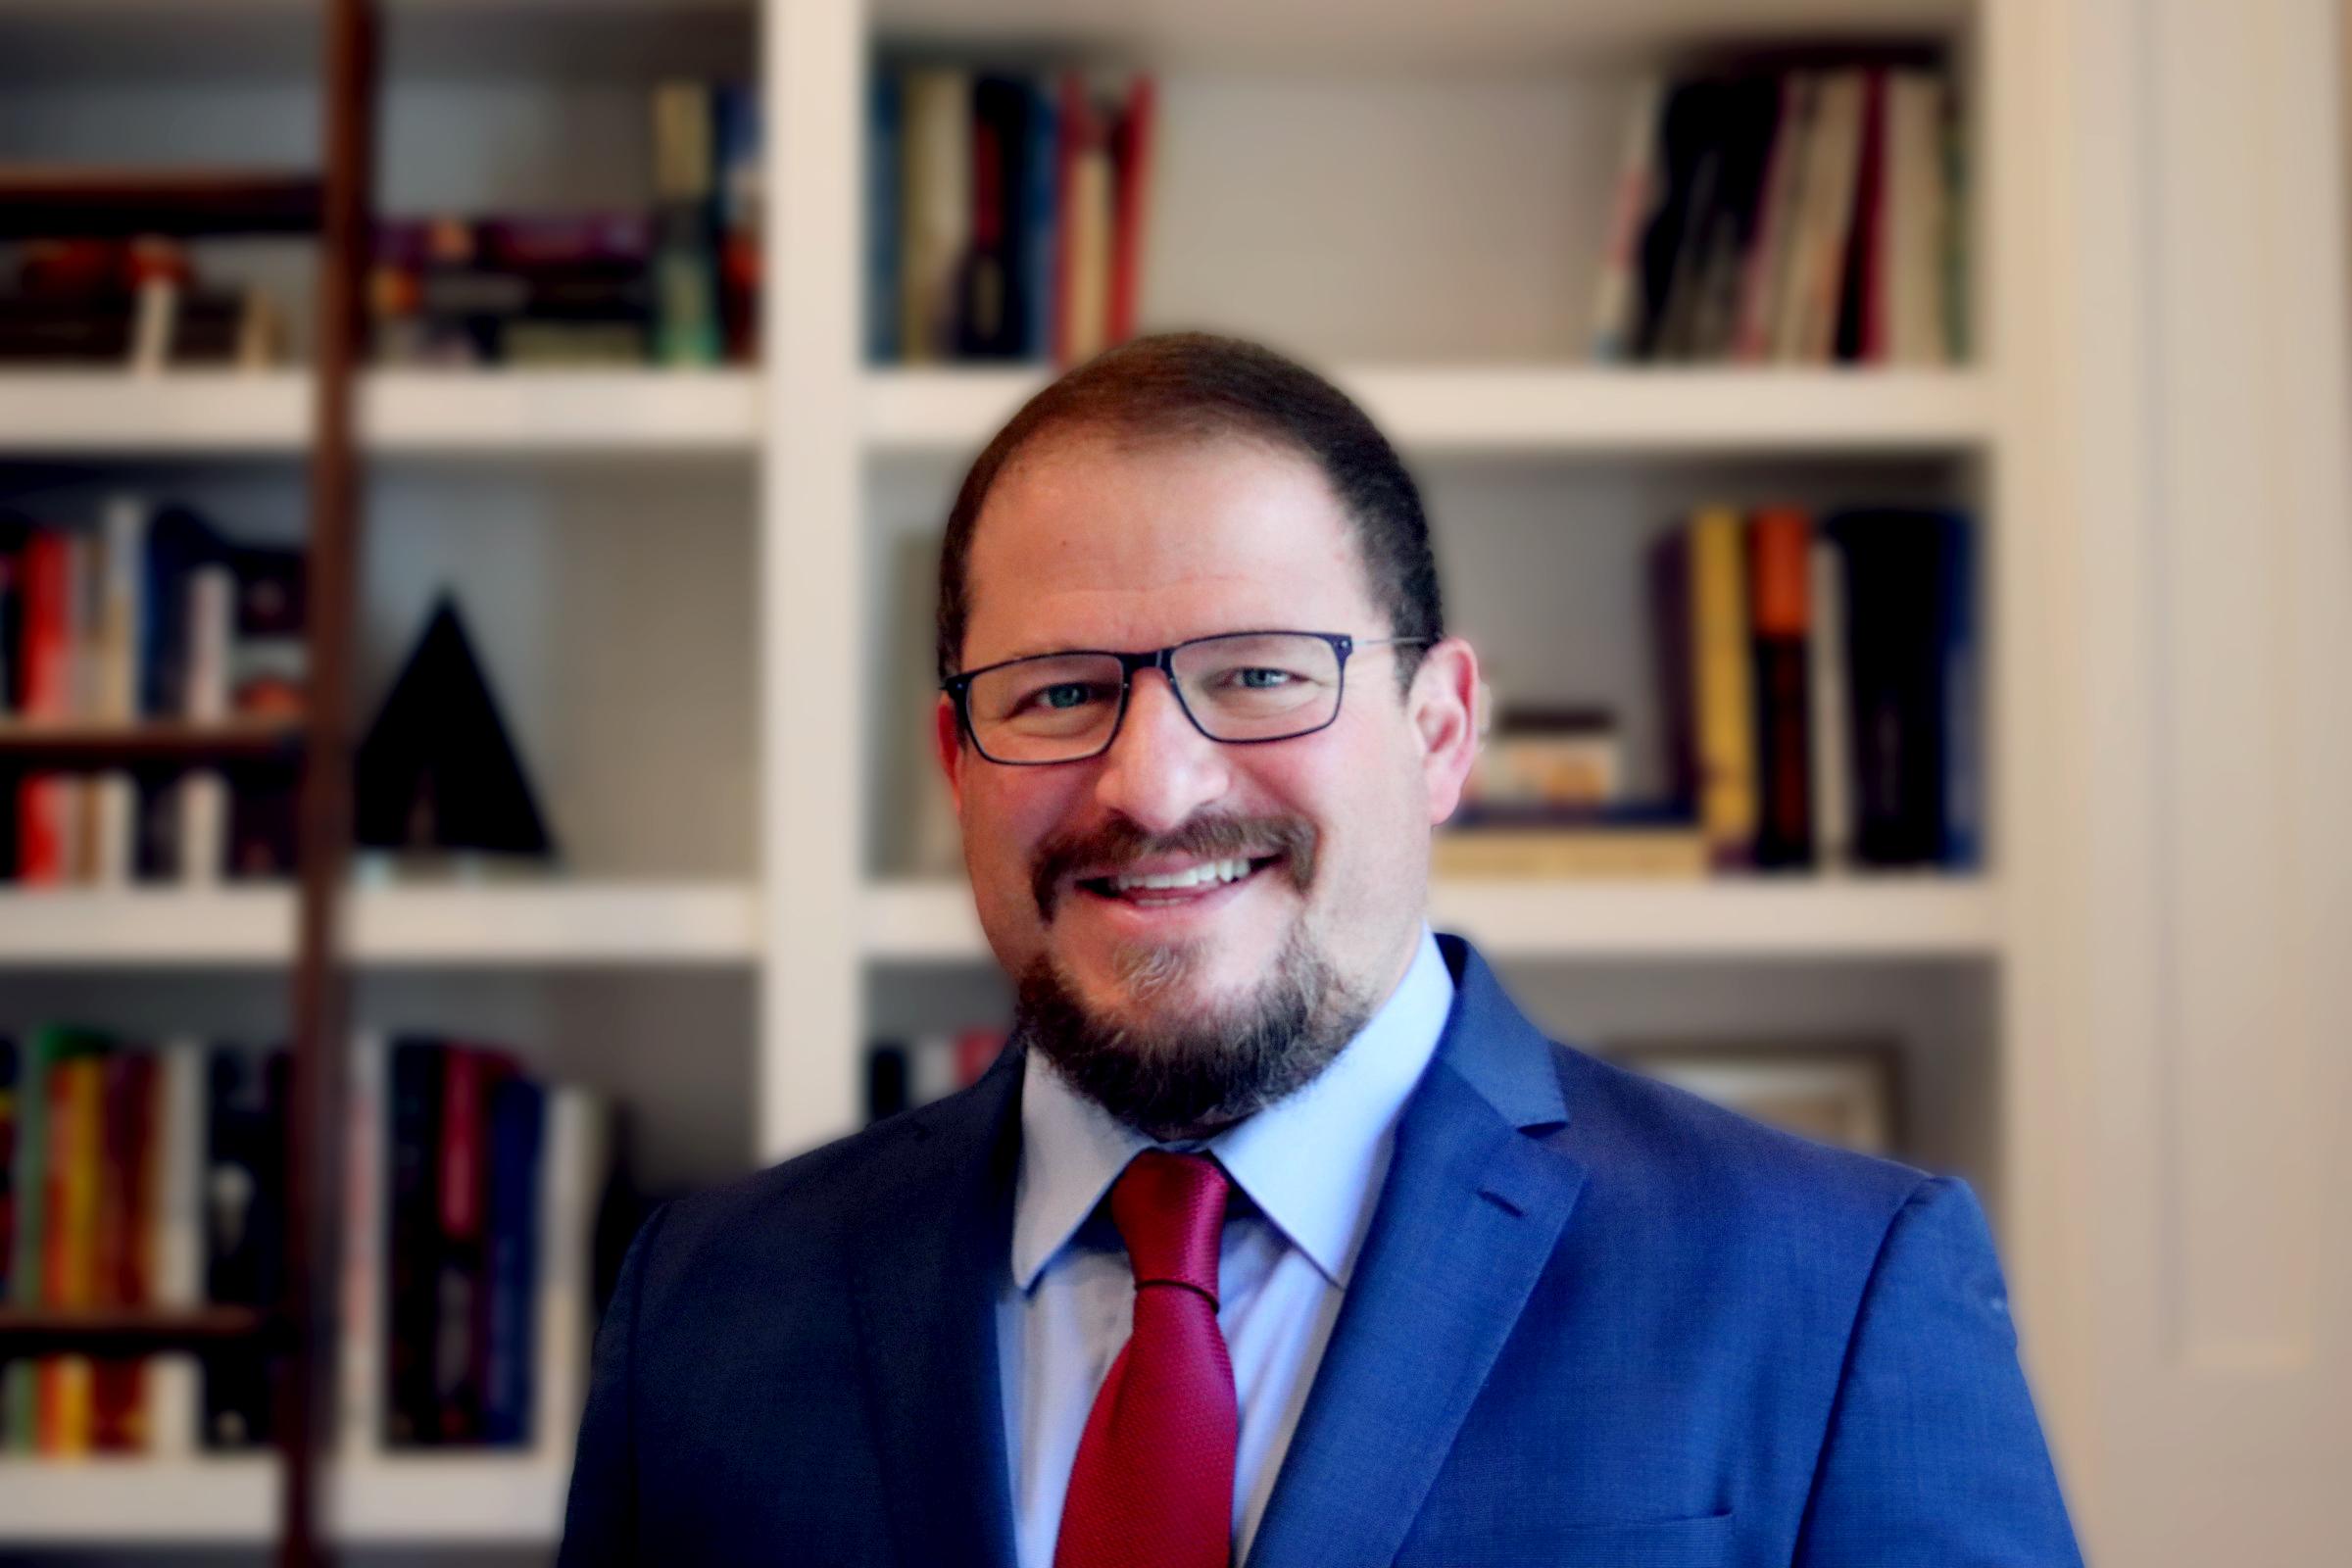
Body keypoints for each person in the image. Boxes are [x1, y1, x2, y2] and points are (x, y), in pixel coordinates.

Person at [558, 332, 2082, 1567]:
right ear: (958, 767)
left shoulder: (1838, 1289)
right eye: (1058, 694)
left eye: (1262, 676)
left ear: (1441, 732)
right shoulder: (706, 1307)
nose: (1155, 787)